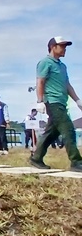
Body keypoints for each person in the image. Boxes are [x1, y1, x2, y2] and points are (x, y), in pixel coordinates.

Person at [29, 37, 82, 172]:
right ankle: (76, 162)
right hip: (52, 102)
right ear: (53, 47)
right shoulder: (45, 63)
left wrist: (77, 100)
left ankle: (36, 158)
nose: (65, 49)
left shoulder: (62, 66)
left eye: (65, 46)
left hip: (62, 102)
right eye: (62, 46)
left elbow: (67, 85)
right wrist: (40, 101)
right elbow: (40, 82)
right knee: (68, 130)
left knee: (51, 133)